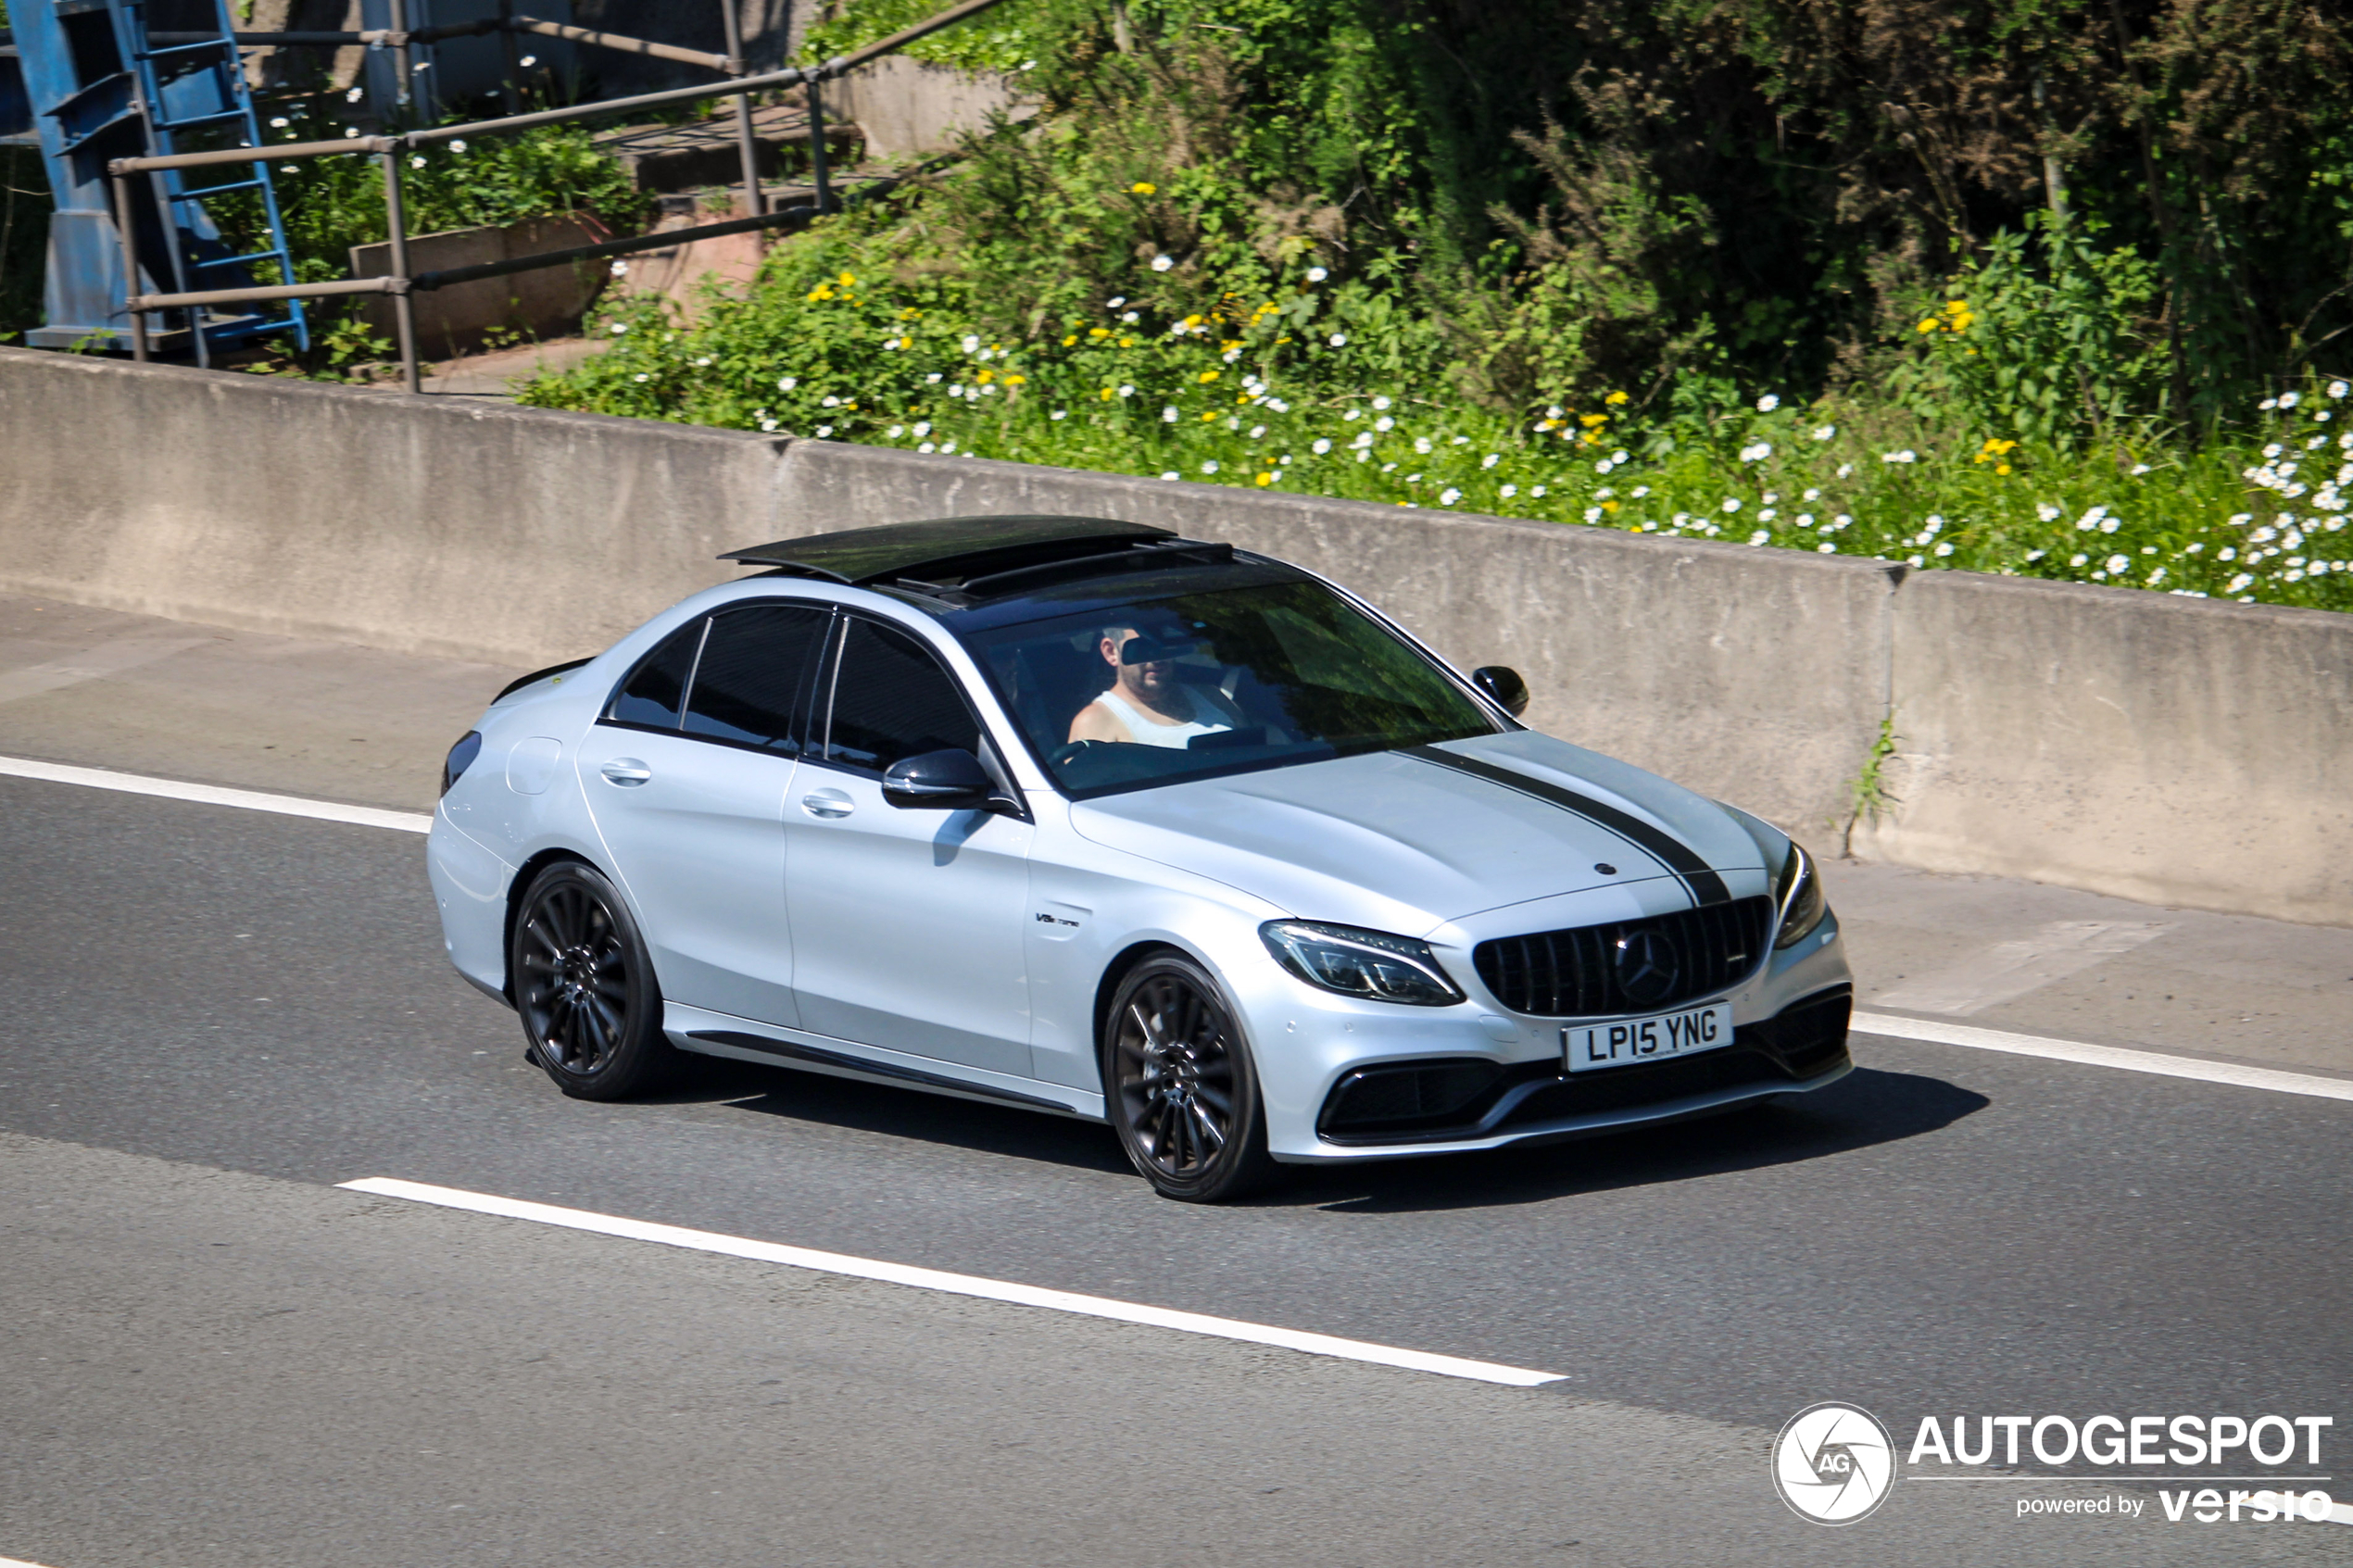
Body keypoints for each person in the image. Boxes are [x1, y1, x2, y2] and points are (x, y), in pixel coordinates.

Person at [1067, 622, 1242, 747]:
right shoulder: (1096, 722)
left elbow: (1261, 743)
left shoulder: (1211, 697)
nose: (1157, 658)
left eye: (1165, 645)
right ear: (1111, 652)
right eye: (1143, 648)